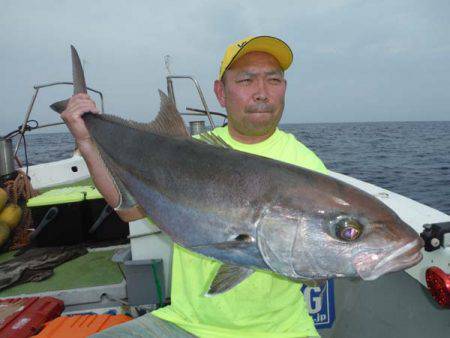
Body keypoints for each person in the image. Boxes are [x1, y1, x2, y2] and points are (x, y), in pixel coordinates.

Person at [62, 35, 327, 338]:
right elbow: (130, 211)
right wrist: (85, 139)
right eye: (246, 80)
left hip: (278, 331)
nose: (262, 93)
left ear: (284, 89)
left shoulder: (305, 166)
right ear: (220, 92)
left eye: (274, 80)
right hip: (183, 325)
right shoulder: (186, 153)